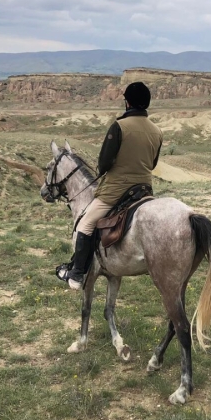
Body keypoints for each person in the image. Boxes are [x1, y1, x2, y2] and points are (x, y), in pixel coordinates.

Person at [59, 81, 163, 289]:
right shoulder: (157, 131)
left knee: (86, 223)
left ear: (128, 102)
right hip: (144, 189)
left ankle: (78, 273)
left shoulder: (119, 126)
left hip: (117, 190)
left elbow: (104, 164)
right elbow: (152, 163)